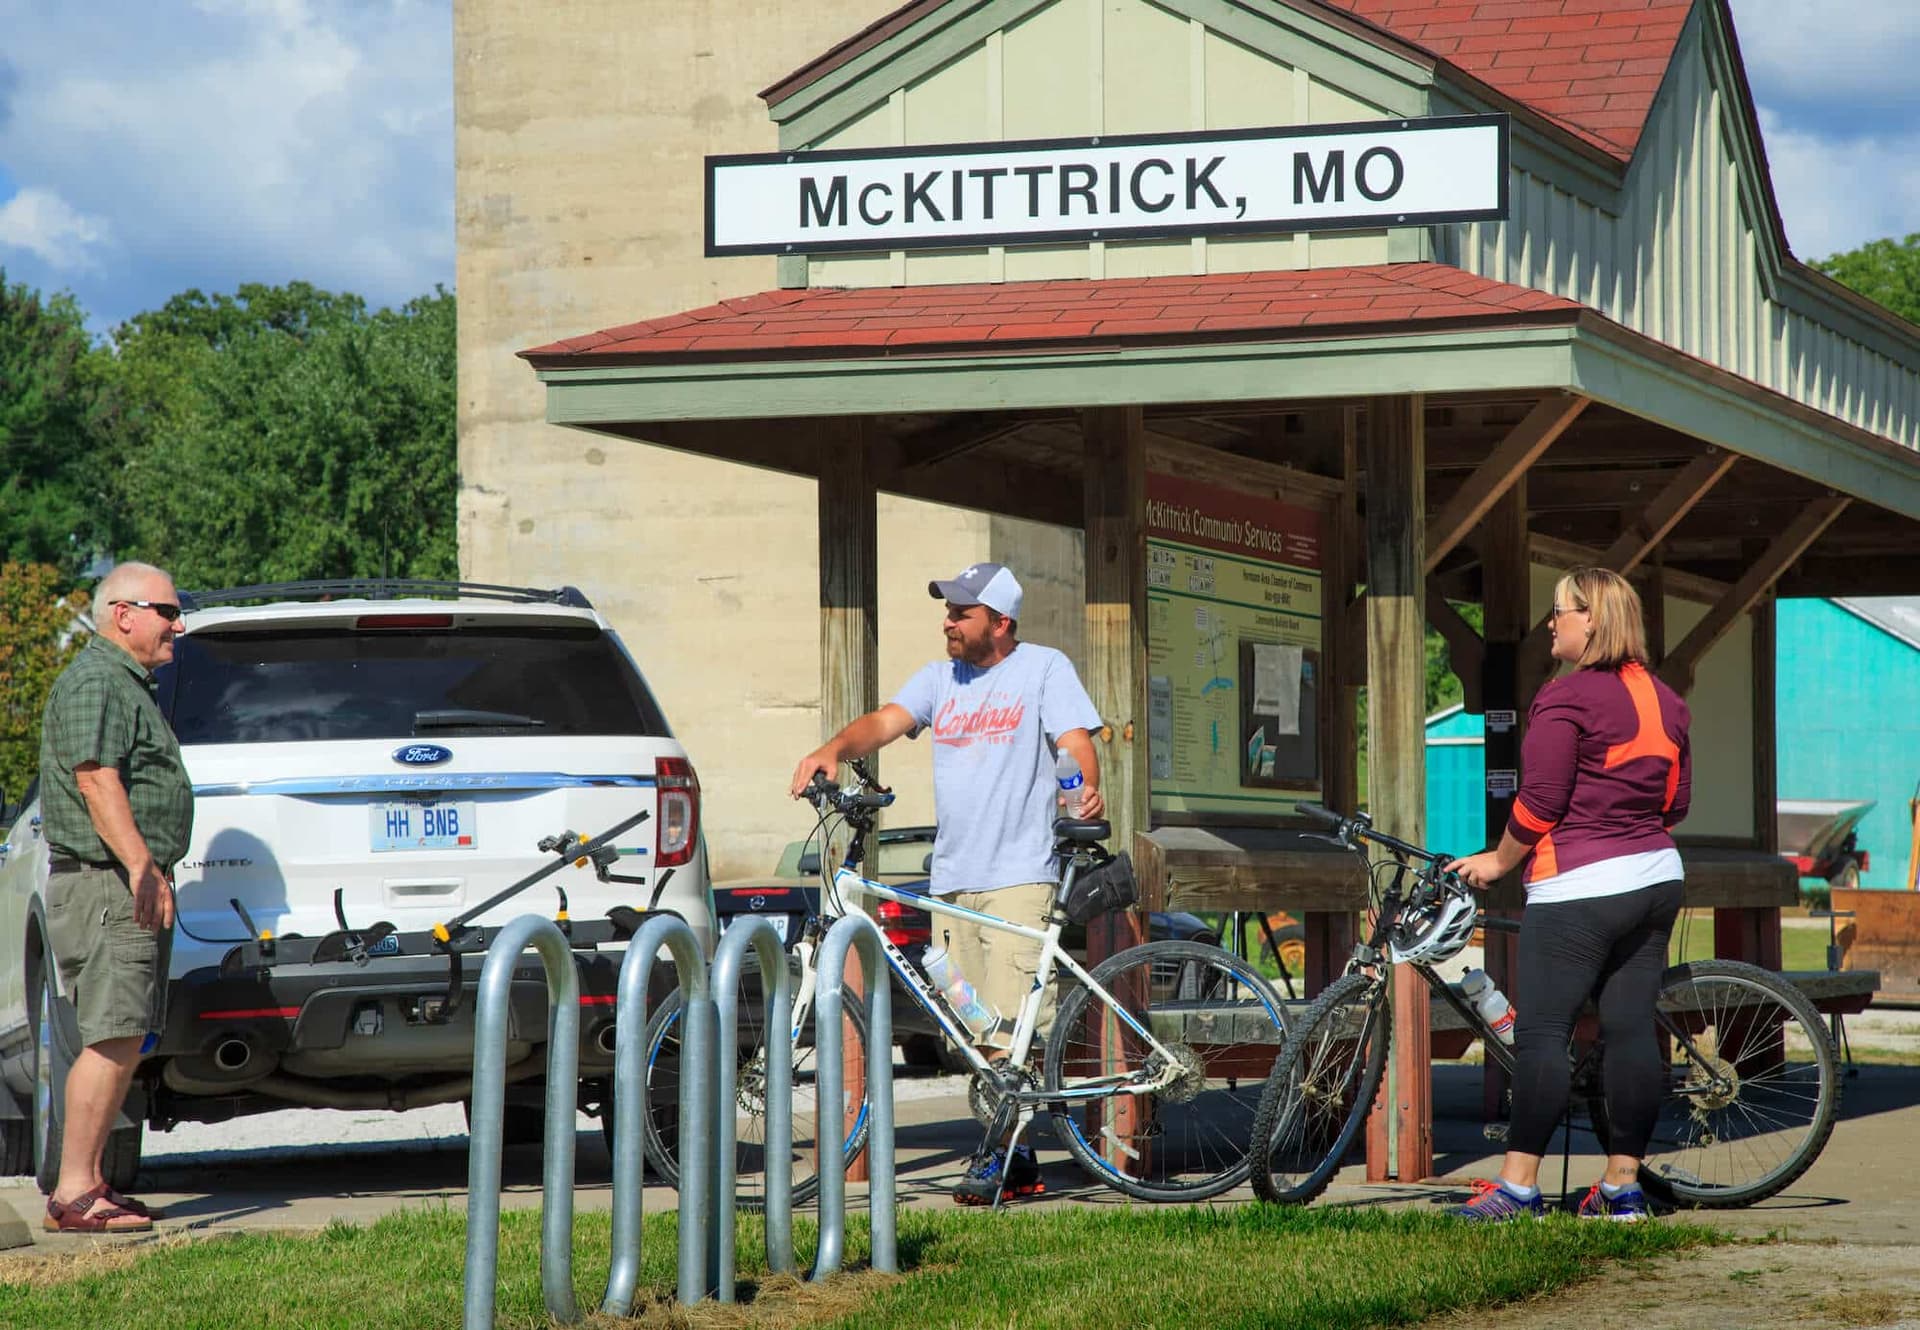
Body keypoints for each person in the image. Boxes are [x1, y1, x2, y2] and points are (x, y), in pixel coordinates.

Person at [790, 562, 1104, 1205]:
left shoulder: (1043, 668)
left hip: (1019, 876)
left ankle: (1001, 1157)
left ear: (1000, 622)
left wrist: (1086, 788)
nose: (949, 623)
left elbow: (1075, 742)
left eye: (962, 613)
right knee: (972, 1029)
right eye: (949, 612)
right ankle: (1015, 1161)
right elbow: (885, 721)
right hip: (953, 882)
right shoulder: (941, 679)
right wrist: (833, 749)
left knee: (1009, 1031)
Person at [1444, 567, 1691, 1223]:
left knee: (1544, 1034)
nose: (1551, 623)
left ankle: (1517, 1188)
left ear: (1592, 619)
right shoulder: (1669, 702)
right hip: (1656, 878)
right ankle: (1622, 1191)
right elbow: (1677, 802)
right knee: (1632, 1030)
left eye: (1559, 612)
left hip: (1579, 885)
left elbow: (1542, 800)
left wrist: (1497, 862)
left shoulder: (1566, 698)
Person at [38, 562, 192, 1234]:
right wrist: (141, 868)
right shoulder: (99, 680)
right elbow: (97, 780)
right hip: (108, 883)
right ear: (123, 613)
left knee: (124, 1033)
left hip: (117, 881)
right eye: (167, 611)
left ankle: (91, 1183)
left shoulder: (121, 682)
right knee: (111, 1035)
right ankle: (74, 1193)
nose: (178, 625)